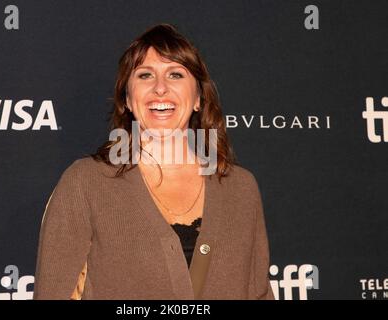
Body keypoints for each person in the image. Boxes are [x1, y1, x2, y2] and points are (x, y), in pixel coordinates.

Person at [33, 23, 274, 300]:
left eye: (175, 74)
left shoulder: (240, 188)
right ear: (127, 99)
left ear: (198, 97)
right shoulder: (86, 182)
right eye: (145, 75)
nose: (160, 88)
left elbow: (259, 293)